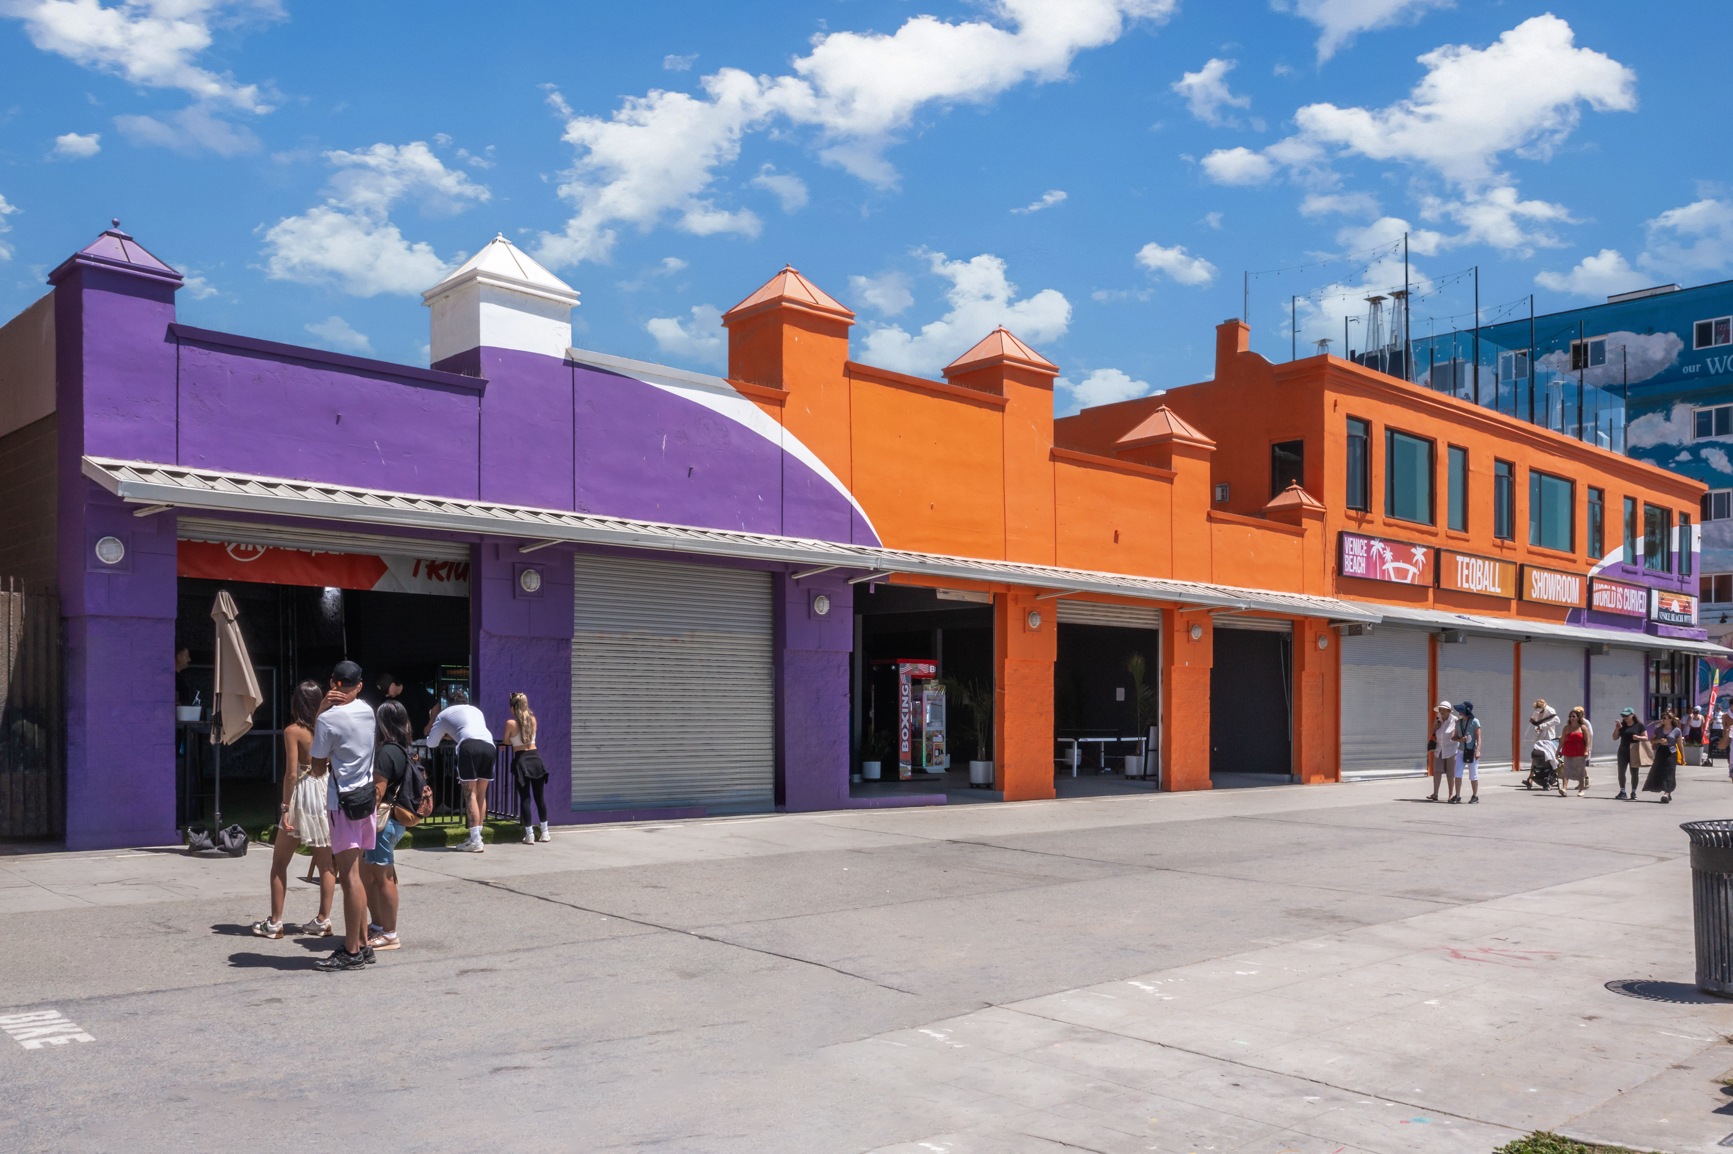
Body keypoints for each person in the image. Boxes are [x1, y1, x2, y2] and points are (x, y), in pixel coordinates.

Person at [251, 681, 336, 939]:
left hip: (303, 792)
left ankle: (275, 923)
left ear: (296, 703)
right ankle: (323, 920)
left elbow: (291, 774)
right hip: (325, 790)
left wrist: (285, 808)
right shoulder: (328, 726)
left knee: (279, 862)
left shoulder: (293, 731)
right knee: (326, 863)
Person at [311, 660, 379, 972]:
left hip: (342, 804)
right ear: (359, 685)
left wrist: (321, 711)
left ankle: (352, 951)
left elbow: (316, 767)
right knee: (358, 875)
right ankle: (362, 943)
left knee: (349, 878)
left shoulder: (328, 720)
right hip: (366, 800)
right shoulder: (367, 710)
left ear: (332, 682)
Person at [361, 700, 428, 953]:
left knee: (383, 878)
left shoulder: (385, 752)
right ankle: (379, 926)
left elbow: (377, 793)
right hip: (395, 822)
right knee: (372, 875)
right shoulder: (405, 750)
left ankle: (389, 933)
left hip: (382, 822)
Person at [426, 686, 495, 852]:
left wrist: (444, 734)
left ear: (449, 704)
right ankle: (476, 836)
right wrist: (452, 733)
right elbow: (468, 729)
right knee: (481, 793)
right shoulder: (476, 711)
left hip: (469, 747)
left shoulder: (444, 714)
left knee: (469, 793)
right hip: (489, 745)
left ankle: (476, 841)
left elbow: (431, 743)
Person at [503, 692, 550, 844]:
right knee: (539, 798)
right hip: (536, 759)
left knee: (525, 798)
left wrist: (510, 741)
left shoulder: (510, 723)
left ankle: (529, 834)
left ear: (513, 707)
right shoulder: (533, 720)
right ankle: (545, 832)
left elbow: (506, 742)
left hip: (521, 760)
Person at [1641, 709, 1682, 804]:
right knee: (1659, 771)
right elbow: (1651, 740)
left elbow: (1680, 744)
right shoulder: (1658, 729)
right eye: (1662, 718)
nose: (1662, 720)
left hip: (1672, 753)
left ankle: (1666, 793)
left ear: (1670, 719)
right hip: (1661, 752)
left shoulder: (1676, 730)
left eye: (1664, 718)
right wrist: (1659, 741)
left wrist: (1683, 757)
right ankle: (1667, 791)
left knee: (1670, 772)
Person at [1450, 701, 1483, 804]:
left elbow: (1478, 737)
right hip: (1461, 751)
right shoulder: (1458, 723)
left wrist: (1477, 750)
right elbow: (1454, 738)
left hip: (1472, 751)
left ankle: (1475, 795)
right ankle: (1458, 795)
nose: (1459, 712)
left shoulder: (1475, 721)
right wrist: (1461, 740)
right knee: (1458, 773)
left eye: (1461, 711)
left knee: (1473, 774)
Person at [1559, 707, 1593, 797]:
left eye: (1573, 716)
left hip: (1580, 751)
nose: (1571, 718)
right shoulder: (1566, 728)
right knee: (1566, 769)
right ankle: (1564, 789)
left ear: (1578, 717)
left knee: (1579, 770)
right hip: (1568, 750)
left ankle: (1581, 789)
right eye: (1570, 716)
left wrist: (1586, 750)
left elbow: (1587, 739)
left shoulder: (1583, 727)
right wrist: (1558, 750)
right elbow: (1562, 739)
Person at [1427, 701, 1457, 802]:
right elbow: (1432, 733)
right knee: (1437, 771)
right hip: (1439, 749)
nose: (1442, 712)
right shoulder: (1437, 720)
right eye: (1441, 710)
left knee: (1450, 773)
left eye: (1444, 710)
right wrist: (1435, 727)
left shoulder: (1455, 720)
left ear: (1449, 711)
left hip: (1451, 750)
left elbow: (1459, 734)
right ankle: (1435, 794)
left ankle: (1451, 795)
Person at [1614, 708, 1646, 800]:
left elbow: (1646, 737)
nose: (1624, 717)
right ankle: (1622, 791)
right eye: (1623, 716)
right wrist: (1617, 729)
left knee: (1634, 772)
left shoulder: (1639, 725)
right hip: (1623, 750)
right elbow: (1614, 738)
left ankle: (1634, 792)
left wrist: (1638, 737)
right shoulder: (1622, 725)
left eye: (1626, 716)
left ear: (1632, 715)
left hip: (1634, 750)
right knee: (1621, 772)